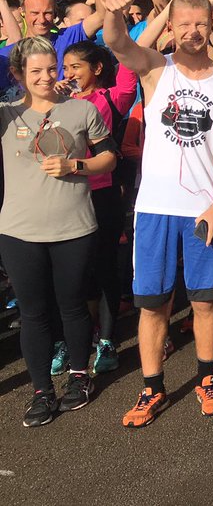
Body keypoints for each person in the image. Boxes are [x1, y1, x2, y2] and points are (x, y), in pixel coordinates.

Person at [101, 0, 213, 427]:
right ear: (170, 27)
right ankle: (152, 388)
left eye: (201, 23)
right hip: (155, 207)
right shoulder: (157, 68)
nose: (193, 32)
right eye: (185, 23)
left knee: (207, 303)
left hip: (205, 209)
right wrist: (112, 9)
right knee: (153, 304)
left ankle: (206, 379)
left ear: (211, 26)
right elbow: (117, 42)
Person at [0, 37, 117, 426]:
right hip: (19, 232)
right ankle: (40, 391)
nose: (47, 77)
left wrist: (76, 167)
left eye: (52, 68)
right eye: (35, 71)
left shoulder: (82, 109)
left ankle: (79, 377)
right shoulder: (6, 115)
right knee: (34, 314)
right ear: (17, 74)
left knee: (72, 305)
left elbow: (109, 157)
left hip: (74, 227)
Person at [59, 40, 137, 374]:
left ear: (97, 68)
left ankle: (106, 339)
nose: (69, 74)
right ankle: (75, 339)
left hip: (103, 193)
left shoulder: (111, 97)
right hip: (65, 195)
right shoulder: (59, 99)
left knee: (105, 266)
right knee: (75, 271)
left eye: (76, 67)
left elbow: (130, 66)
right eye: (65, 68)